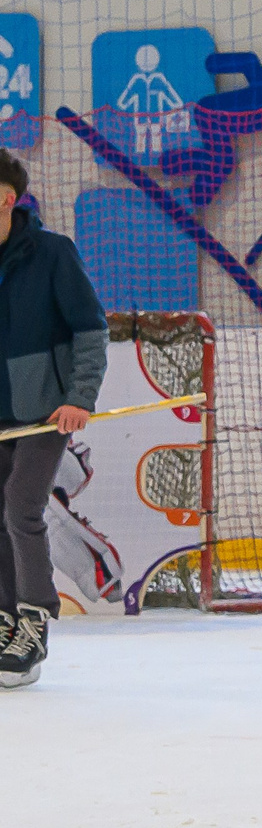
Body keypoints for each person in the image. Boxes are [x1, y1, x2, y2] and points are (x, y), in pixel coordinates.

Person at [0, 148, 107, 691]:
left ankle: (35, 617)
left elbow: (90, 330)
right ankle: (3, 619)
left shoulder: (52, 254)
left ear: (6, 199)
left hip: (44, 414)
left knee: (22, 506)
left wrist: (80, 398)